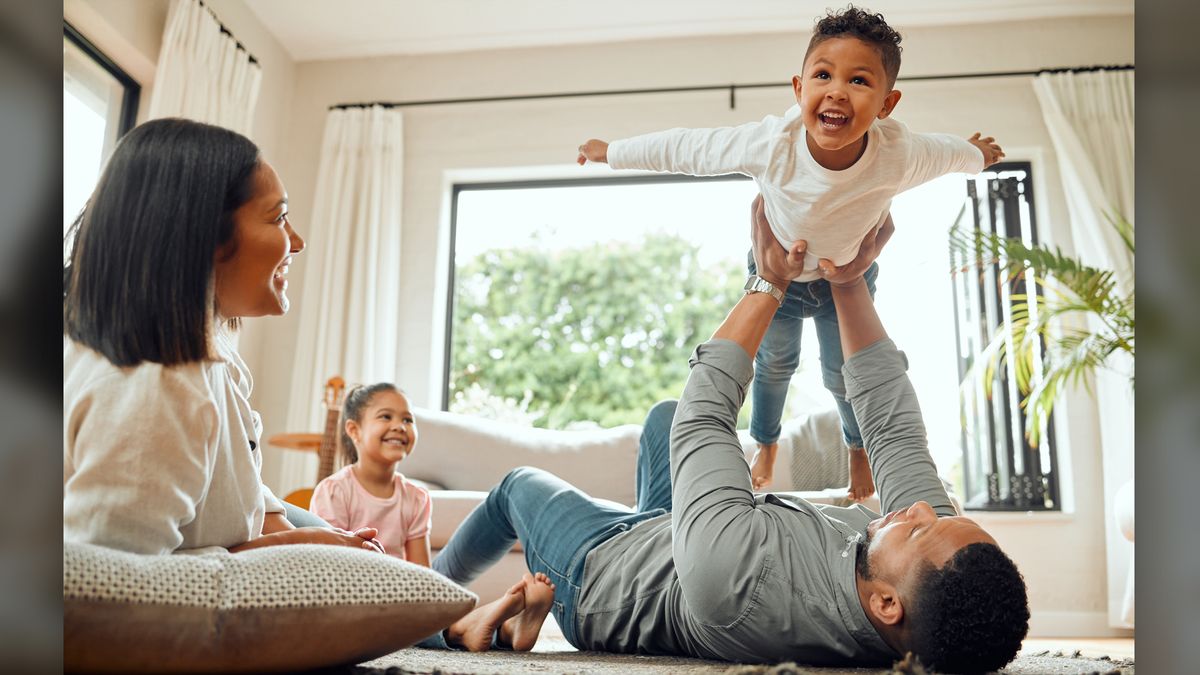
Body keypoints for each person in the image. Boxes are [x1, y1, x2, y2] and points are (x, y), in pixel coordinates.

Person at [427, 195, 1029, 671]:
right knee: (659, 417)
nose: (920, 508)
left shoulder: (739, 589)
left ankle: (430, 613)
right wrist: (849, 284)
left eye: (921, 525)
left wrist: (769, 281)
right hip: (677, 539)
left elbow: (705, 416)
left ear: (886, 605)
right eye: (937, 513)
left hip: (602, 576)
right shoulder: (914, 585)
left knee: (516, 487)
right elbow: (894, 431)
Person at [61, 117, 552, 653]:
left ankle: (458, 624)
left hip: (254, 513)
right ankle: (457, 624)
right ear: (203, 235)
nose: (296, 241)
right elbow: (109, 591)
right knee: (367, 562)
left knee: (354, 549)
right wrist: (295, 548)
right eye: (279, 218)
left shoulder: (209, 354)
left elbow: (240, 485)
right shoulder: (154, 388)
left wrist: (294, 533)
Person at [576, 5, 1005, 499]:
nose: (838, 90)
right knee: (775, 364)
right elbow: (687, 148)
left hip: (846, 277)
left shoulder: (899, 154)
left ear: (887, 104)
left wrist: (977, 156)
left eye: (860, 81)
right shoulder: (770, 144)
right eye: (823, 74)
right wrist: (612, 152)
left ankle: (858, 449)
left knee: (841, 374)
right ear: (799, 89)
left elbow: (949, 153)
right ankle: (766, 441)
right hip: (776, 273)